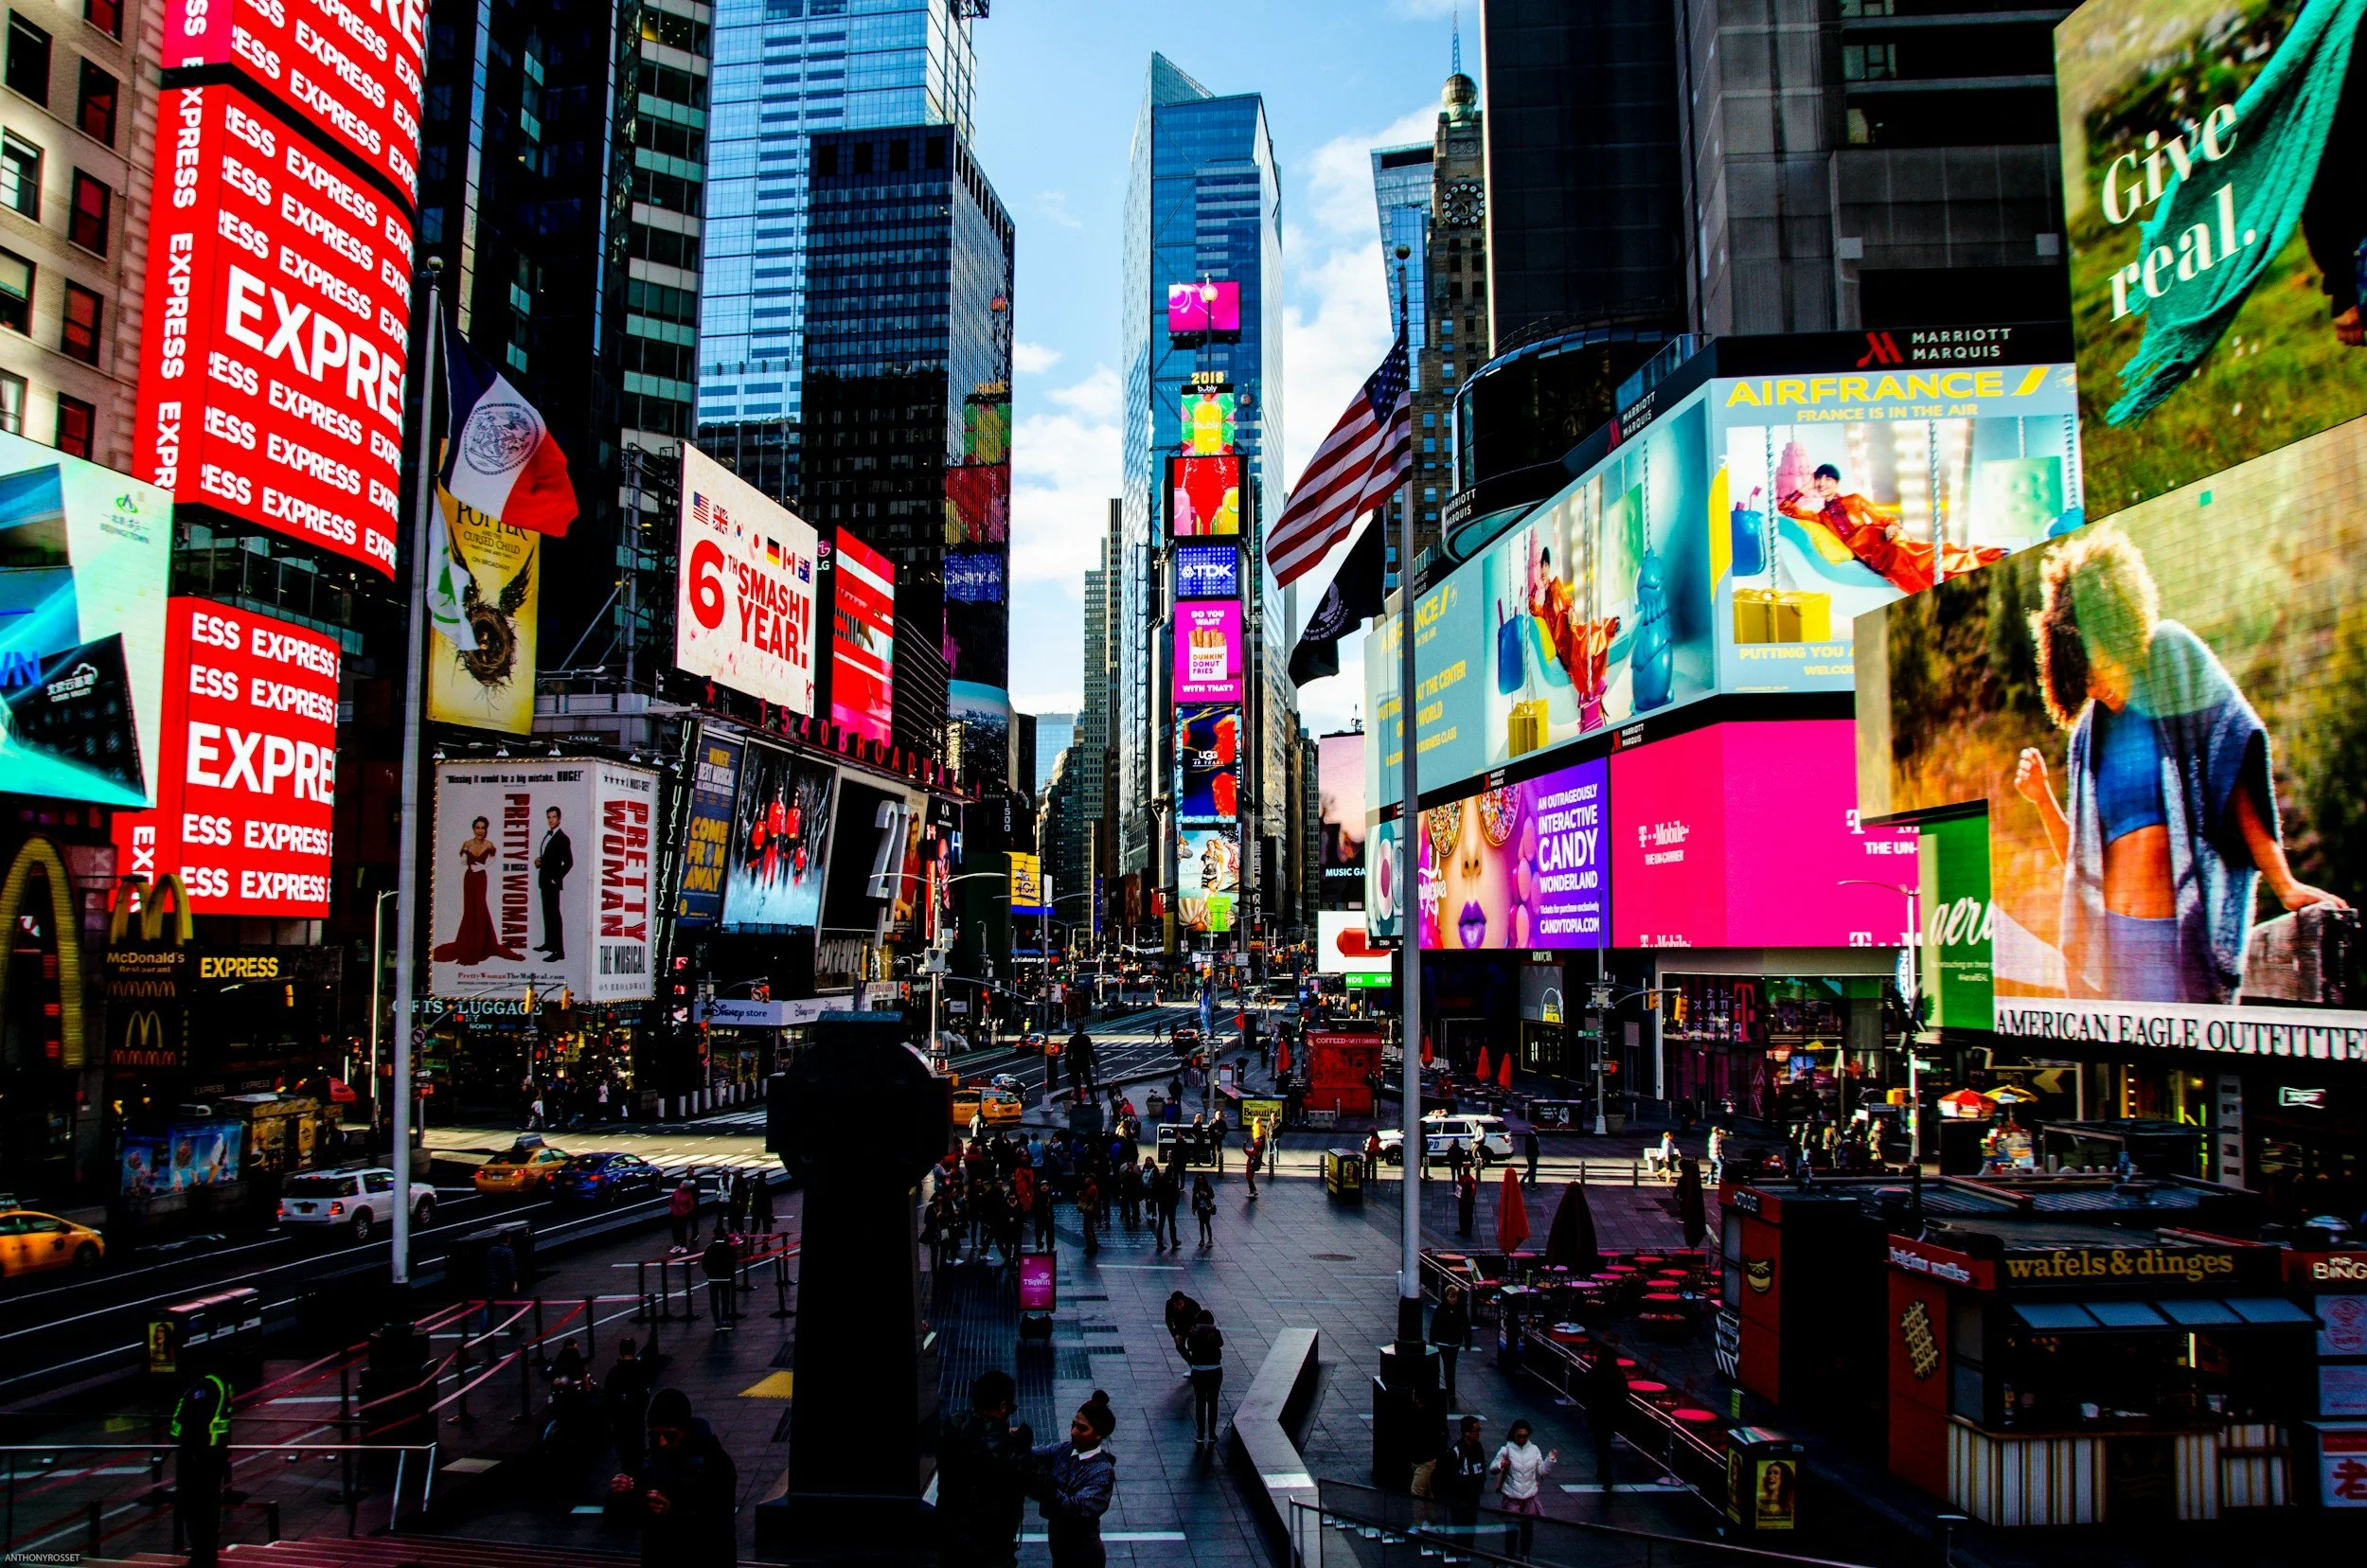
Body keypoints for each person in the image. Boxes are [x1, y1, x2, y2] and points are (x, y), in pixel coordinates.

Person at [2012, 525, 2344, 1005]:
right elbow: (2082, 865)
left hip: (2176, 941)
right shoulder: (2088, 734)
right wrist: (2042, 799)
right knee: (2127, 1080)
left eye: (2099, 664)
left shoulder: (2172, 659)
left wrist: (2284, 883)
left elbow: (2234, 765)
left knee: (2187, 1077)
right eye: (2081, 677)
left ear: (2120, 627)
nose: (2096, 685)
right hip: (2111, 951)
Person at [609, 1387, 737, 1566]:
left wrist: (673, 1513)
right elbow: (622, 1522)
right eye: (655, 1435)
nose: (662, 1442)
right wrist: (620, 1495)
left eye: (669, 1435)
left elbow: (716, 1528)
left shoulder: (716, 1464)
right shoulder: (651, 1461)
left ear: (685, 1431)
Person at [936, 1369, 1035, 1568]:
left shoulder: (952, 1424)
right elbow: (1038, 1483)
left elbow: (977, 1435)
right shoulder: (1007, 1449)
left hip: (950, 1537)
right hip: (991, 1544)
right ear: (1003, 1406)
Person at [1032, 1391, 1117, 1568]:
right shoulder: (1064, 1450)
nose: (1073, 1432)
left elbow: (1077, 1508)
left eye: (1082, 1428)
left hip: (1083, 1551)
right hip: (1058, 1542)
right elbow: (1034, 1454)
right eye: (1073, 1425)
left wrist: (1046, 1486)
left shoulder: (1102, 1471)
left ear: (1098, 1435)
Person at [435, 815, 524, 963]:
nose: (480, 831)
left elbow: (493, 858)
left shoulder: (488, 844)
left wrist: (484, 866)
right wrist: (464, 855)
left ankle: (482, 945)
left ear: (486, 829)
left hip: (481, 878)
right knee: (469, 909)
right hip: (469, 878)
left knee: (480, 908)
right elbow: (463, 862)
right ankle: (468, 944)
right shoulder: (467, 843)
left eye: (483, 828)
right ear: (473, 829)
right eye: (478, 827)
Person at [172, 1371, 233, 1568]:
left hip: (197, 1460)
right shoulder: (218, 1386)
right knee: (206, 1509)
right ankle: (204, 1554)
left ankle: (201, 1555)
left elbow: (177, 1427)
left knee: (196, 1509)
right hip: (209, 1458)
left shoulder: (200, 1389)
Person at [1491, 1418, 1557, 1559]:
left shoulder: (1534, 1450)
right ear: (1513, 1435)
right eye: (1519, 1436)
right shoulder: (1506, 1450)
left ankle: (1524, 1556)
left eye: (1525, 1436)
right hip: (1512, 1498)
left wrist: (1549, 1461)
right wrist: (1501, 1464)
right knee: (1512, 1532)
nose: (1522, 1439)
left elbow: (1541, 1471)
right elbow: (1492, 1467)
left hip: (1529, 1498)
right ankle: (1510, 1557)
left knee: (1527, 1531)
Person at [604, 1338, 653, 1477]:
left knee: (625, 1452)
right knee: (638, 1448)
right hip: (637, 1417)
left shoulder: (614, 1373)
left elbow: (608, 1398)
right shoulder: (641, 1369)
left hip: (621, 1420)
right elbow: (646, 1393)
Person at [1587, 1350, 1628, 1506]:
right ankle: (1602, 1471)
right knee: (1604, 1444)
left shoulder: (1595, 1372)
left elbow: (1586, 1385)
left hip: (1597, 1415)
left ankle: (1606, 1475)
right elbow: (1626, 1392)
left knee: (1601, 1445)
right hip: (1611, 1416)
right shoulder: (1617, 1374)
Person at [533, 804, 575, 960]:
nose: (551, 820)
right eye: (549, 817)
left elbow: (569, 862)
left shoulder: (563, 838)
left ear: (559, 818)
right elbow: (551, 859)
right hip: (544, 881)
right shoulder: (548, 835)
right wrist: (541, 861)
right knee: (547, 914)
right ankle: (549, 944)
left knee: (554, 916)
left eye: (554, 817)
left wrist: (556, 878)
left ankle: (559, 952)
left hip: (551, 883)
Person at [1438, 1416, 1489, 1531]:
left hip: (1473, 1497)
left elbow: (1481, 1468)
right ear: (1466, 1433)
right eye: (1476, 1431)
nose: (1478, 1434)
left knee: (1471, 1528)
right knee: (1461, 1530)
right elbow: (1446, 1476)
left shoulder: (1478, 1447)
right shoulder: (1456, 1451)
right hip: (1460, 1499)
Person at [1185, 1310, 1225, 1448]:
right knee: (1213, 1403)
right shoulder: (1216, 1332)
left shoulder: (1193, 1333)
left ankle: (1200, 1434)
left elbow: (1189, 1347)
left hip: (1199, 1371)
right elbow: (1221, 1344)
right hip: (1215, 1370)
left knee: (1200, 1403)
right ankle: (1212, 1435)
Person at [1431, 1283, 1472, 1405]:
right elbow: (1434, 1325)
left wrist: (1468, 1341)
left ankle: (1450, 1392)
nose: (1453, 1299)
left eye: (1454, 1297)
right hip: (1444, 1342)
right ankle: (1449, 1392)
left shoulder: (1456, 1309)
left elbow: (1466, 1326)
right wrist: (1433, 1340)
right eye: (1450, 1297)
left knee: (1450, 1367)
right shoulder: (1443, 1309)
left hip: (1453, 1343)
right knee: (1448, 1367)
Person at [481, 1231, 518, 1335]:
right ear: (508, 1239)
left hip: (493, 1282)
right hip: (505, 1283)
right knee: (510, 1305)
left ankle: (484, 1329)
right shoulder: (509, 1252)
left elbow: (488, 1266)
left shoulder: (491, 1251)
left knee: (488, 1307)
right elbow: (511, 1270)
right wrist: (514, 1282)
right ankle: (514, 1326)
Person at [701, 1232, 738, 1328]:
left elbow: (704, 1263)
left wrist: (709, 1273)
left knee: (714, 1300)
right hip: (725, 1277)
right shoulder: (729, 1248)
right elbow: (733, 1261)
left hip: (712, 1278)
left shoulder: (709, 1248)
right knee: (725, 1299)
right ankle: (724, 1320)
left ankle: (717, 1322)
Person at [667, 1179, 697, 1254]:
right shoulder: (676, 1192)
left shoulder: (688, 1195)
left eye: (682, 1184)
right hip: (674, 1214)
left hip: (683, 1216)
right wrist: (672, 1209)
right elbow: (671, 1201)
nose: (680, 1185)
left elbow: (691, 1205)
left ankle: (683, 1246)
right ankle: (676, 1245)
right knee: (675, 1230)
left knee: (682, 1230)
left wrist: (685, 1211)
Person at [1191, 1171, 1217, 1248]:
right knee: (1201, 1224)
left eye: (1201, 1179)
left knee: (1207, 1223)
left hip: (1207, 1207)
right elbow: (1194, 1198)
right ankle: (1202, 1239)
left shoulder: (1207, 1186)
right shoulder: (1196, 1187)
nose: (1200, 1180)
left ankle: (1210, 1239)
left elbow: (1212, 1195)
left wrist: (1206, 1194)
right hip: (1200, 1208)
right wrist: (1194, 1208)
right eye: (1199, 1179)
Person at [1455, 1167, 1478, 1238]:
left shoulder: (1471, 1180)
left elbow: (1473, 1191)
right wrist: (1458, 1197)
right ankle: (1462, 1229)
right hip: (1462, 1201)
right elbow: (1459, 1187)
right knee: (1462, 1216)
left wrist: (1471, 1199)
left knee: (1468, 1216)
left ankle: (1467, 1231)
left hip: (1467, 1201)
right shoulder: (1463, 1178)